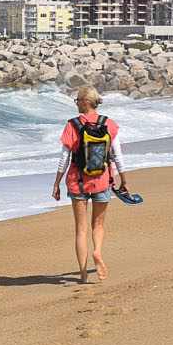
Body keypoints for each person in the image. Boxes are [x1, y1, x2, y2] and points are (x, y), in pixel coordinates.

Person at [56, 84, 125, 282]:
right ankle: (98, 251)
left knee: (81, 229)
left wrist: (56, 184)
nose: (76, 103)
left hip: (77, 182)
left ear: (86, 102)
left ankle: (84, 275)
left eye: (78, 99)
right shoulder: (109, 124)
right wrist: (124, 180)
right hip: (102, 180)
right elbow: (117, 156)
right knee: (99, 225)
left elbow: (64, 158)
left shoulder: (72, 125)